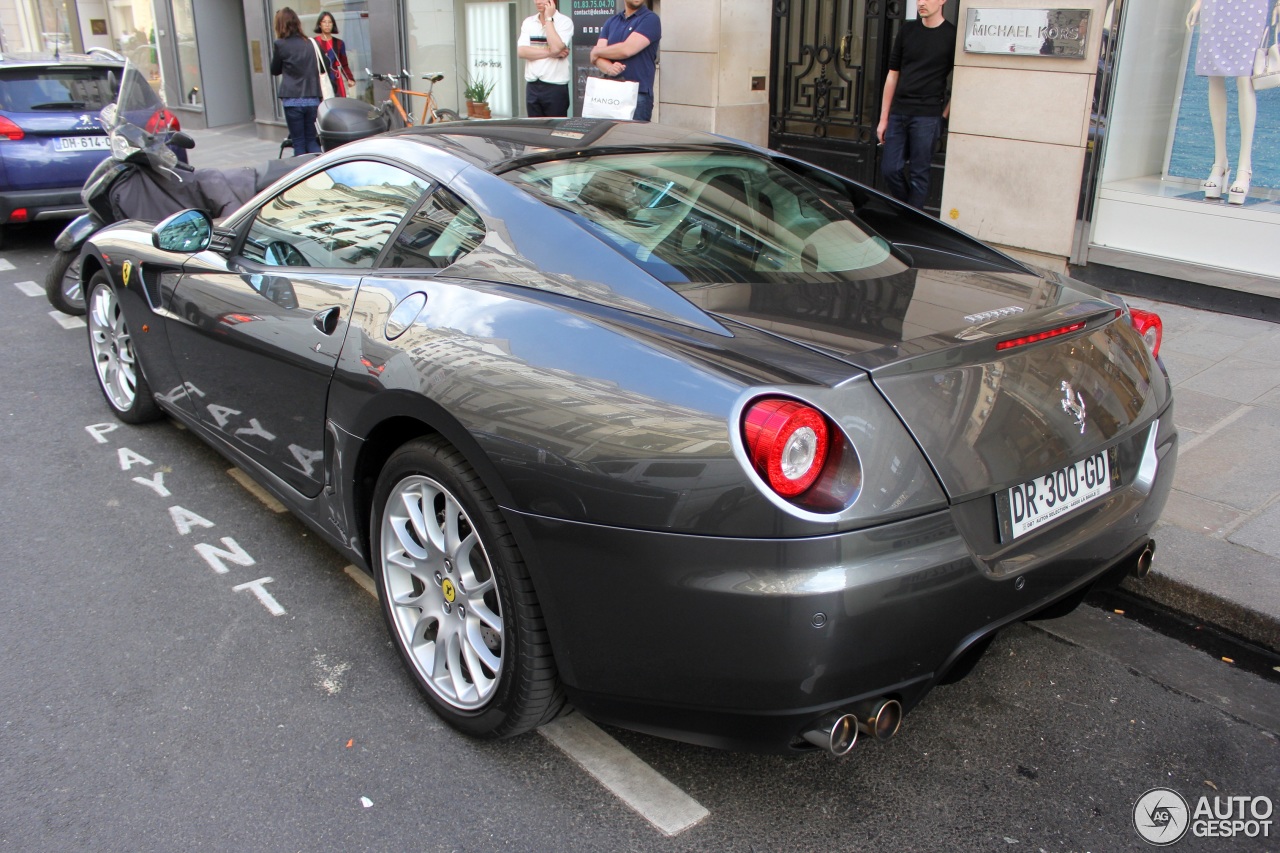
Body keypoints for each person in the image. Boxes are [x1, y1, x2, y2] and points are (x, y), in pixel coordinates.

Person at [1186, 0, 1280, 204]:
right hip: (1215, 5)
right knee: (1214, 76)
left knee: (1245, 78)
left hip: (1251, 6)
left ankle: (1244, 168)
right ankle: (1219, 163)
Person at [876, 0, 956, 210]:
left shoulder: (951, 35)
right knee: (890, 169)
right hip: (899, 112)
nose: (921, 3)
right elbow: (893, 75)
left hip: (928, 116)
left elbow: (961, 83)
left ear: (942, 1)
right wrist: (884, 118)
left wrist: (943, 117)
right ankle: (910, 213)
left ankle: (911, 223)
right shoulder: (907, 30)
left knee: (919, 174)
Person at [590, 0, 661, 122]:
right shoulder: (611, 21)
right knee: (608, 139)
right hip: (610, 94)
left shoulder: (650, 19)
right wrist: (609, 68)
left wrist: (596, 51)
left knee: (634, 139)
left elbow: (627, 50)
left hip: (638, 95)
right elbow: (597, 59)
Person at [270, 7, 321, 155]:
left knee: (298, 143)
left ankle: (303, 176)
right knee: (311, 140)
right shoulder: (311, 43)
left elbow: (275, 70)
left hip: (292, 99)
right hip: (312, 98)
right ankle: (320, 168)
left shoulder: (280, 44)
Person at [517, 0, 574, 117]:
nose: (537, 1)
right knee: (535, 130)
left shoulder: (564, 22)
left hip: (555, 85)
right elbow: (522, 51)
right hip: (532, 85)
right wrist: (551, 53)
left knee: (555, 129)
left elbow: (557, 47)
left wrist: (549, 19)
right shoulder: (529, 22)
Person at [314, 11, 356, 99]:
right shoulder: (314, 42)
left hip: (336, 79)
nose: (327, 24)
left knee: (338, 105)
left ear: (333, 24)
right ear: (320, 24)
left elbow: (344, 64)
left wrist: (350, 78)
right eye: (324, 22)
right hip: (320, 80)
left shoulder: (339, 43)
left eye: (329, 22)